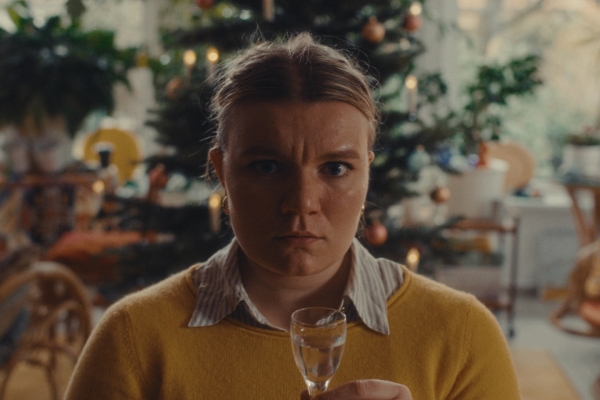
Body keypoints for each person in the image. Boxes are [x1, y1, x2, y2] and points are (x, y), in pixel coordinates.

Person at [65, 33, 520, 400]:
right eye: (266, 166)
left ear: (366, 174)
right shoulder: (133, 339)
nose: (301, 202)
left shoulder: (461, 335)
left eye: (335, 168)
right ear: (222, 173)